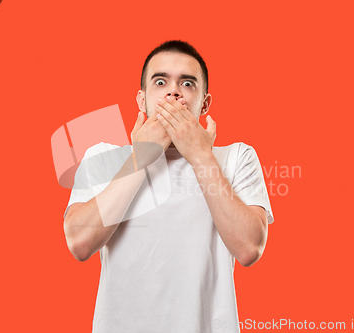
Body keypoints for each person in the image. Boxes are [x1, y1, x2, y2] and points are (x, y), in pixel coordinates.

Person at [63, 40, 274, 333]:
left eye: (187, 83)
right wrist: (141, 158)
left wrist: (201, 155)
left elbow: (250, 248)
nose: (173, 92)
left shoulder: (237, 157)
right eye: (160, 81)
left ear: (204, 103)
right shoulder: (103, 157)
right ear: (142, 100)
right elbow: (79, 243)